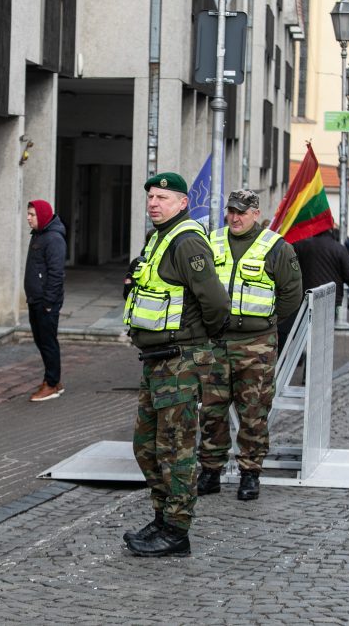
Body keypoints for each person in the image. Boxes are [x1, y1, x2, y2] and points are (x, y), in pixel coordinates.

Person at [121, 172, 229, 557]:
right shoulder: (158, 239)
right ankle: (163, 516)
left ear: (183, 203)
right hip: (156, 360)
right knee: (146, 445)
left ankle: (177, 530)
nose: (154, 202)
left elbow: (216, 303)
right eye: (150, 196)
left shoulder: (186, 242)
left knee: (175, 448)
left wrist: (198, 339)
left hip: (180, 360)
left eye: (163, 197)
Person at [198, 190, 302, 502]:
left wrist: (264, 322)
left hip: (256, 344)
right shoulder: (211, 242)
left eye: (242, 212)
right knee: (212, 411)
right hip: (216, 342)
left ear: (256, 214)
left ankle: (250, 473)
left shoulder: (276, 247)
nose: (235, 217)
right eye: (231, 211)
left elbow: (291, 294)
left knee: (253, 412)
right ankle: (210, 471)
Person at [24, 199, 67, 402]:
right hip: (36, 299)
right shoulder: (39, 235)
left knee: (47, 342)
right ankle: (53, 379)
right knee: (42, 340)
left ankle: (51, 383)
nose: (28, 218)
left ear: (41, 216)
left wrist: (48, 302)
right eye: (28, 214)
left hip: (45, 302)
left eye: (32, 215)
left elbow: (56, 273)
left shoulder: (53, 238)